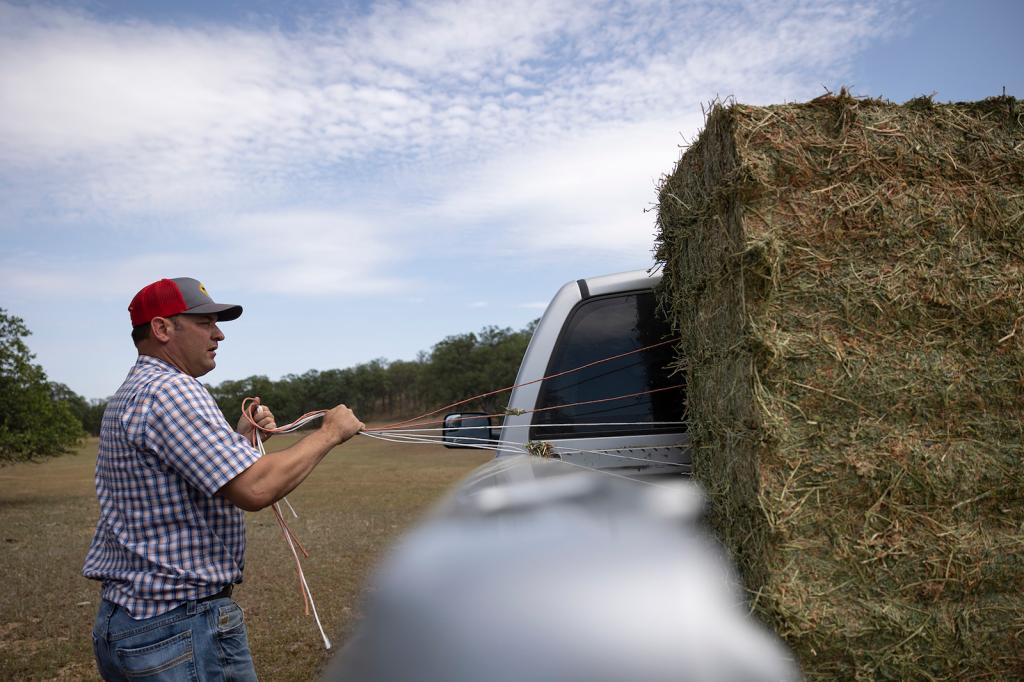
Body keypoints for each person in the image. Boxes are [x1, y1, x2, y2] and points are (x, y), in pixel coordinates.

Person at [83, 277, 364, 681]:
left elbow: (180, 480)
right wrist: (330, 432)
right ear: (162, 329)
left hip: (130, 622)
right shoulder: (173, 390)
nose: (218, 334)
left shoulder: (132, 393)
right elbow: (254, 488)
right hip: (178, 628)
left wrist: (242, 440)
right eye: (204, 323)